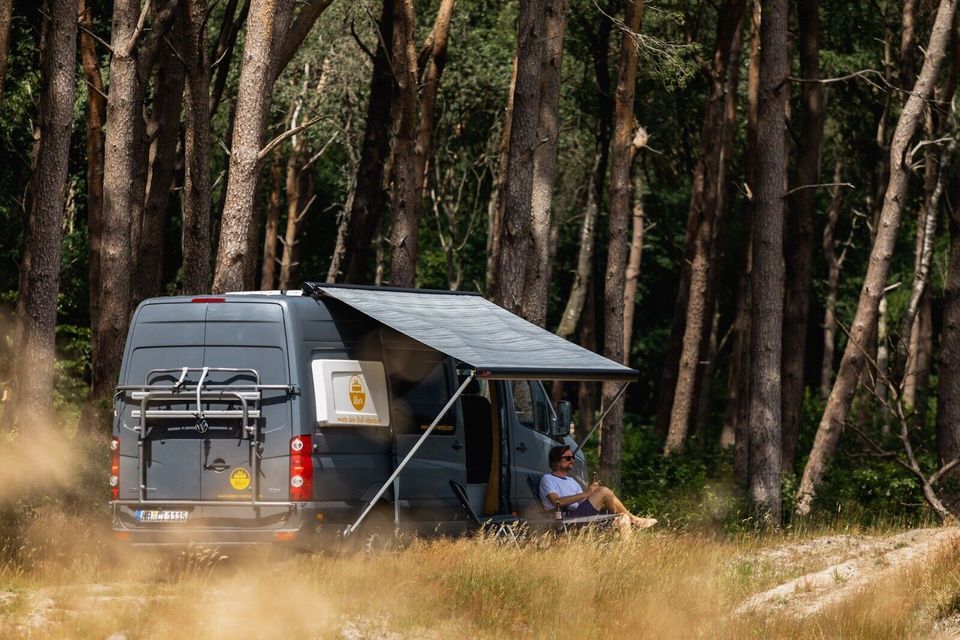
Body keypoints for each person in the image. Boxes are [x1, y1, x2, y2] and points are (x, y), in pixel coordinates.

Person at [539, 444, 656, 528]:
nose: (572, 461)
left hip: (579, 513)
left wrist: (595, 496)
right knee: (604, 491)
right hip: (566, 517)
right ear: (556, 461)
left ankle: (626, 553)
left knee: (622, 518)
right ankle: (635, 519)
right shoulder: (548, 479)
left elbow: (583, 501)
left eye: (573, 458)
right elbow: (556, 502)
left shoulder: (572, 481)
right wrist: (587, 493)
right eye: (568, 458)